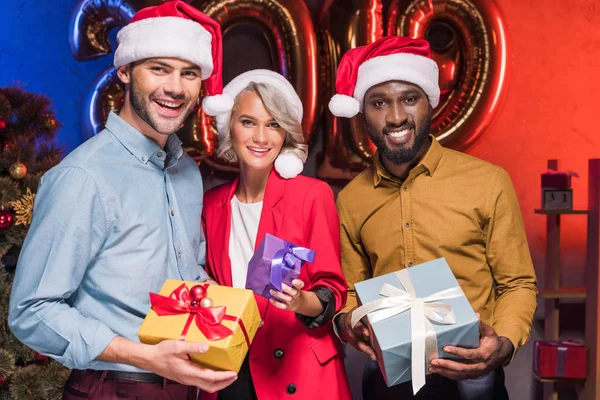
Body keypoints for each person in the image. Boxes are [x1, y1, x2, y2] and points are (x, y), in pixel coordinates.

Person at [8, 2, 239, 398]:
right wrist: (143, 357)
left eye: (189, 73)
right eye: (159, 69)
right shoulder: (84, 177)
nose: (175, 88)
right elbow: (31, 312)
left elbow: (185, 274)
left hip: (185, 386)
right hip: (112, 388)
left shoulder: (185, 173)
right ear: (125, 72)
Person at [329, 36, 538, 399]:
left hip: (473, 377)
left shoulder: (488, 181)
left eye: (409, 99)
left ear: (430, 104)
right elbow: (348, 289)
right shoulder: (351, 199)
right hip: (388, 377)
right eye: (379, 103)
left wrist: (501, 345)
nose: (395, 117)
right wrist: (348, 323)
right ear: (363, 112)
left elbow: (517, 283)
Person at [200, 69, 352, 400]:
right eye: (248, 122)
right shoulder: (211, 204)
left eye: (273, 124)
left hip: (299, 374)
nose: (261, 137)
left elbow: (333, 292)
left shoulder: (312, 195)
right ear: (229, 126)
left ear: (286, 134)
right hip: (231, 373)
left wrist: (301, 301)